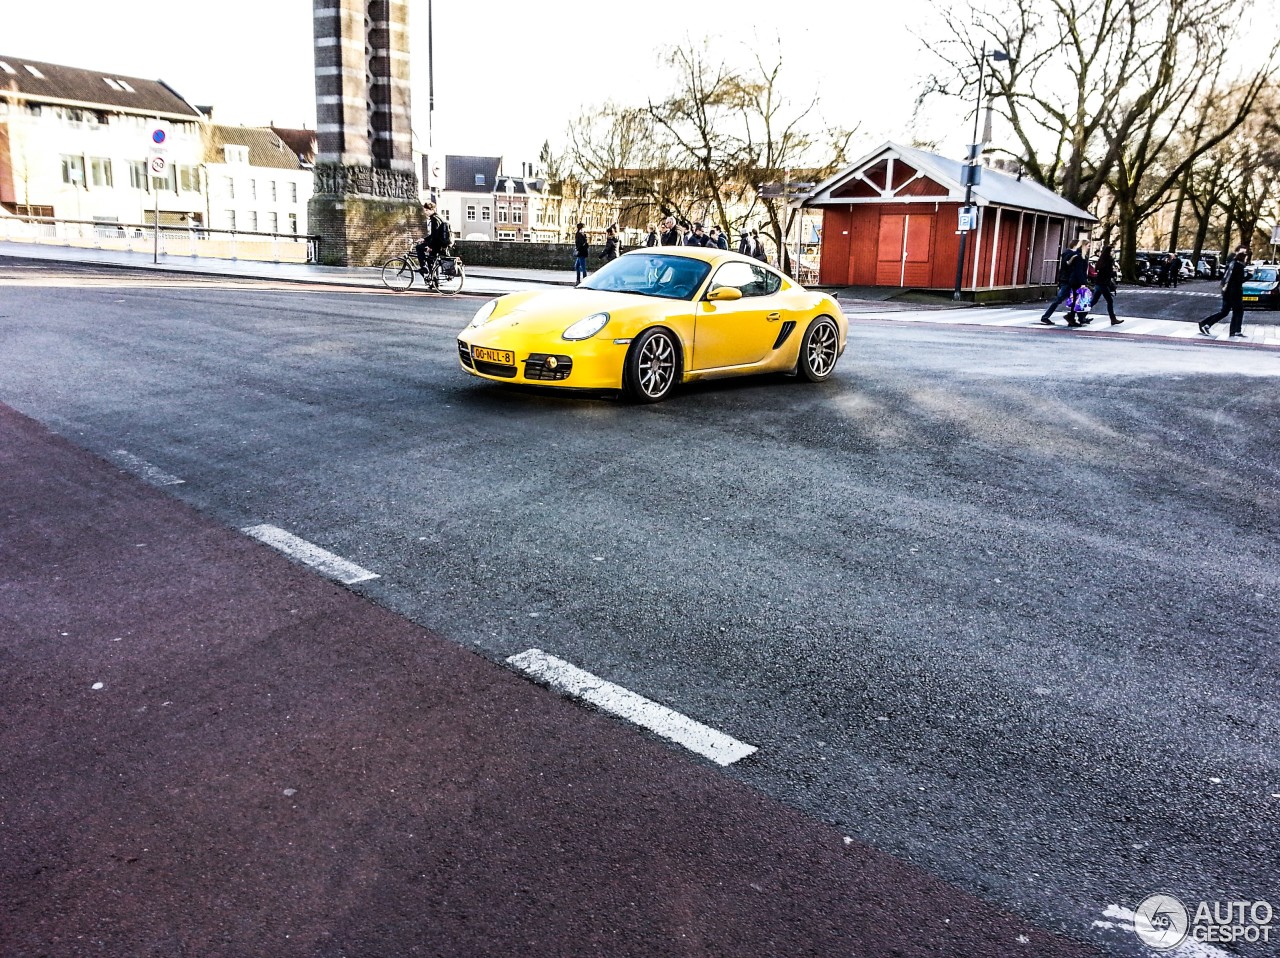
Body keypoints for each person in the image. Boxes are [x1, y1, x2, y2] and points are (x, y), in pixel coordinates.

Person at [1198, 246, 1249, 338]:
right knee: (1238, 310)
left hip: (1227, 291)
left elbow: (1227, 277)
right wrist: (1249, 276)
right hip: (1234, 292)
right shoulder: (1238, 266)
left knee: (1225, 311)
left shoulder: (1232, 263)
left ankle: (1205, 323)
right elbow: (1238, 280)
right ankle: (1235, 330)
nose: (1245, 255)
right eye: (1244, 253)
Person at [1040, 238, 1090, 326]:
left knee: (1075, 299)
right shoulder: (1072, 254)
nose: (1089, 248)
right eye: (1088, 246)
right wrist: (1082, 282)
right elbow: (1073, 269)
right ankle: (1047, 317)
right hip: (1067, 280)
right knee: (1062, 299)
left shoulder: (1072, 254)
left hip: (1068, 280)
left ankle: (1076, 317)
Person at [414, 201, 450, 278]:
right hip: (440, 244)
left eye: (427, 210)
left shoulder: (434, 219)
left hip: (437, 245)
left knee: (419, 248)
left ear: (432, 210)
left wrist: (430, 247)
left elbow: (435, 236)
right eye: (425, 210)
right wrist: (424, 240)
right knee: (430, 260)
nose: (425, 212)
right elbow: (434, 234)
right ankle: (433, 281)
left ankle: (424, 267)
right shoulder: (439, 218)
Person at [1090, 245, 1123, 326]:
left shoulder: (1101, 260)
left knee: (1093, 301)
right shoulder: (1109, 260)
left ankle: (1080, 314)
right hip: (1103, 284)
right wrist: (1114, 272)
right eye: (1112, 251)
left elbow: (1099, 270)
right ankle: (1113, 319)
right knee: (1109, 301)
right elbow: (1107, 273)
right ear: (1108, 252)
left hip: (1099, 283)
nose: (1113, 252)